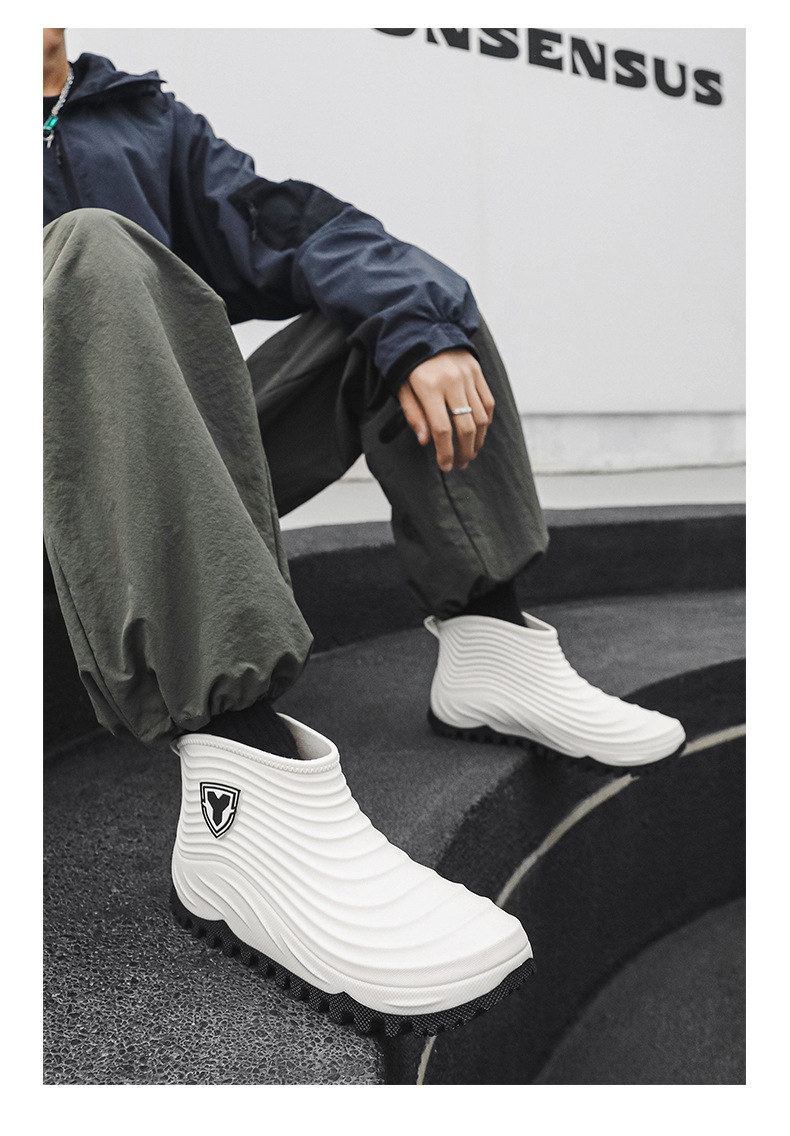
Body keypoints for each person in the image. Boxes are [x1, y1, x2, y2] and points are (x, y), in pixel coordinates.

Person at [43, 29, 686, 1038]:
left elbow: (300, 229)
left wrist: (418, 326)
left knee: (398, 301)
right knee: (89, 249)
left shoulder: (137, 119)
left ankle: (490, 636)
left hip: (153, 474)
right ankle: (242, 790)